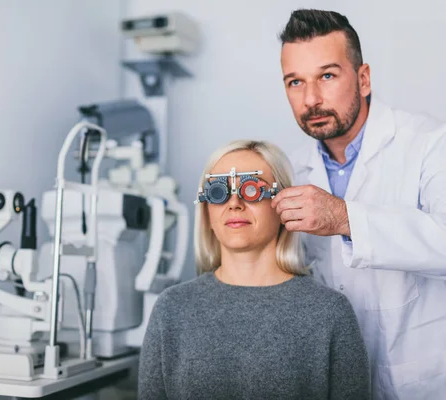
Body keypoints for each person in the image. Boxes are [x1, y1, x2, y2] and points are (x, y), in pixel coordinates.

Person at [274, 9, 446, 400]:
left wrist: (343, 217)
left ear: (363, 78)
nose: (311, 99)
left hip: (421, 379)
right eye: (295, 82)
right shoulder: (291, 168)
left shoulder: (431, 143)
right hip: (331, 379)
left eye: (327, 76)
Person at [138, 140, 370, 400]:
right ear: (207, 212)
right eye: (219, 191)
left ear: (283, 206)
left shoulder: (328, 312)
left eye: (251, 189)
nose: (234, 203)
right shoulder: (172, 308)